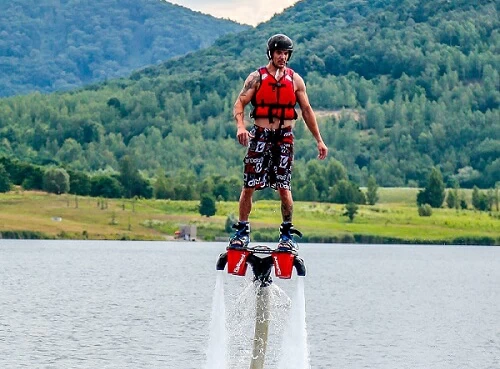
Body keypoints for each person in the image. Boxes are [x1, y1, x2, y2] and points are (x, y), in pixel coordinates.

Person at [230, 33, 328, 250]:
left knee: (284, 186)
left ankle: (286, 234)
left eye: (285, 53)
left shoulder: (295, 80)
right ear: (271, 53)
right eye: (279, 53)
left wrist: (319, 141)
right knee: (249, 185)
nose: (282, 57)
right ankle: (242, 231)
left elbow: (307, 111)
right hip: (261, 134)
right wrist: (240, 126)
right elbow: (239, 104)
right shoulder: (256, 78)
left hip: (284, 137)